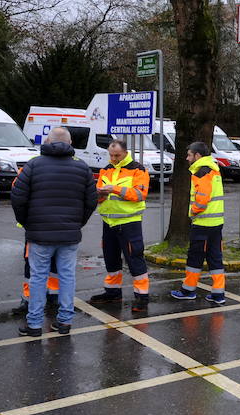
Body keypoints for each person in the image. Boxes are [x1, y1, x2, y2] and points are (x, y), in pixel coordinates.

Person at [11, 127, 96, 336]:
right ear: (70, 144)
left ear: (48, 141)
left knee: (38, 277)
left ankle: (34, 325)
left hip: (39, 234)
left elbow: (18, 197)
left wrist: (27, 222)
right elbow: (91, 200)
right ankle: (65, 322)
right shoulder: (82, 167)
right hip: (69, 234)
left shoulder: (33, 165)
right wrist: (78, 222)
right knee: (67, 277)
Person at [88, 139, 151, 312]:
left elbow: (139, 194)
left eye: (117, 155)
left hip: (129, 222)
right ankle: (112, 292)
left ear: (125, 153)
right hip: (109, 221)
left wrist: (114, 189)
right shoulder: (106, 170)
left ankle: (142, 297)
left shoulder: (138, 169)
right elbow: (100, 196)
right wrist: (99, 194)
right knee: (111, 258)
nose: (114, 158)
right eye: (111, 155)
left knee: (134, 259)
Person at [170, 141, 226, 304]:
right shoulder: (213, 169)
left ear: (197, 155)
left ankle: (188, 290)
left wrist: (192, 212)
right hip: (216, 223)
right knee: (215, 257)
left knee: (195, 258)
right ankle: (218, 294)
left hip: (203, 224)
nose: (187, 158)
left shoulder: (201, 172)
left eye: (189, 155)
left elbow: (202, 200)